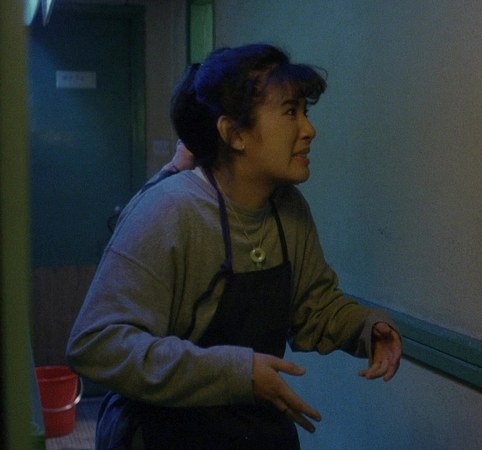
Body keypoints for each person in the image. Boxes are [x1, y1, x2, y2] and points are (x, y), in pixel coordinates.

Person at [67, 44, 402, 449]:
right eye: (290, 112)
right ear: (235, 134)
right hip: (163, 433)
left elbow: (313, 307)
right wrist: (236, 372)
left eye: (305, 112)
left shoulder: (288, 208)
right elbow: (96, 344)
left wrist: (366, 328)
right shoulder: (169, 211)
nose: (308, 130)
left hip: (253, 430)